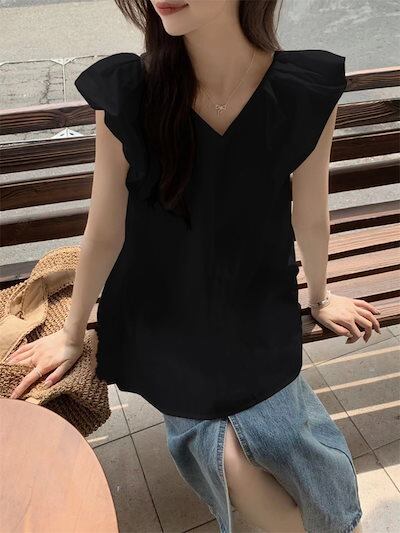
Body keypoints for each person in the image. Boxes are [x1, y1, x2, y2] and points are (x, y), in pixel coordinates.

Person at [5, 1, 379, 531]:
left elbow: (311, 216)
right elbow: (105, 230)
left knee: (267, 438)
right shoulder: (132, 92)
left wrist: (320, 296)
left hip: (255, 303)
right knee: (230, 454)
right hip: (162, 315)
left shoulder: (302, 89)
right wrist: (72, 335)